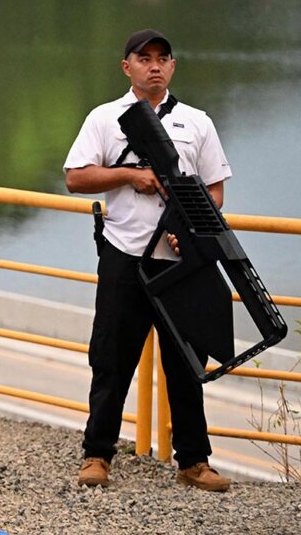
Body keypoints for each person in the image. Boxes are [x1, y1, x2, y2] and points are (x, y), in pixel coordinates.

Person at [63, 29, 232, 492]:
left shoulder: (198, 122)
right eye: (144, 58)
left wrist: (193, 232)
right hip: (124, 257)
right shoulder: (105, 118)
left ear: (173, 67)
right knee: (111, 359)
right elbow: (76, 178)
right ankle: (97, 455)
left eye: (163, 58)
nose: (154, 65)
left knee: (186, 363)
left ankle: (194, 462)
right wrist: (129, 176)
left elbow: (214, 190)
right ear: (127, 67)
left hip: (180, 266)